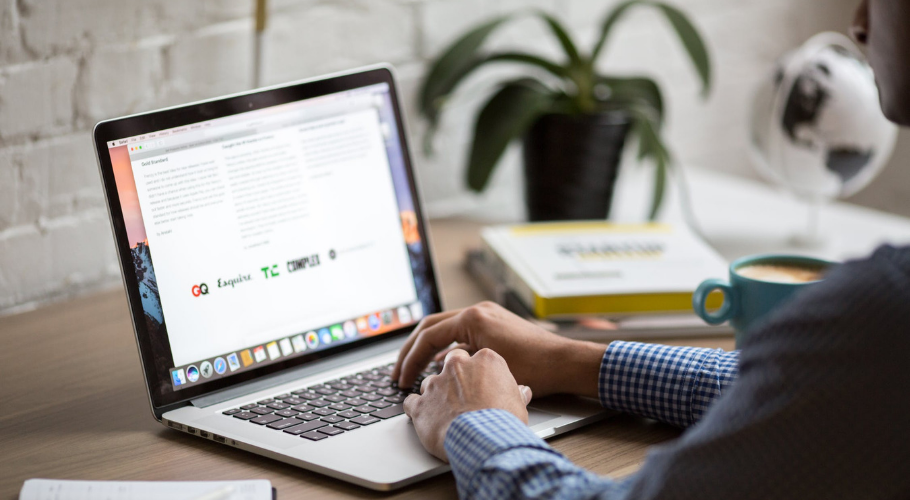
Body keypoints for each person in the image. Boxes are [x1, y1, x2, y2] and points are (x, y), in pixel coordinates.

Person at [393, 1, 910, 498]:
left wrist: (479, 425)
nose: (859, 21)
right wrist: (571, 360)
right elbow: (813, 392)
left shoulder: (884, 309)